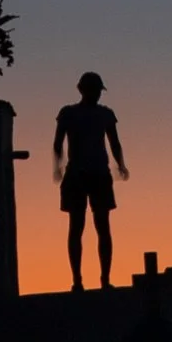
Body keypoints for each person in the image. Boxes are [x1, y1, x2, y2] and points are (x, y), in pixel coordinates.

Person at [53, 71, 128, 288]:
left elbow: (114, 143)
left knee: (99, 227)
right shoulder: (70, 113)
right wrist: (58, 166)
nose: (97, 94)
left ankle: (102, 279)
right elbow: (58, 143)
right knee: (80, 227)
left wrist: (121, 164)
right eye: (94, 90)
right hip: (81, 175)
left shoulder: (102, 114)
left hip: (94, 174)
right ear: (83, 90)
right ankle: (79, 280)